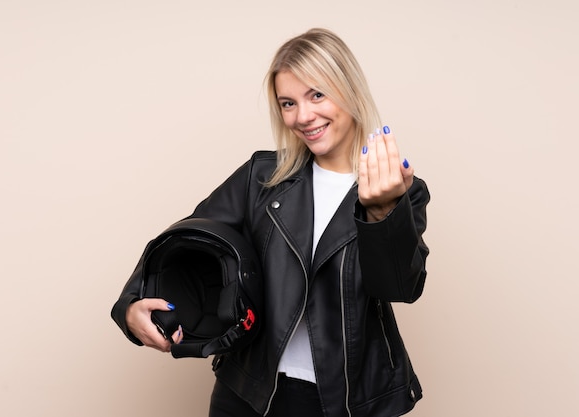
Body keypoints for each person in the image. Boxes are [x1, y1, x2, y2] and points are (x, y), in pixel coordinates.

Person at [111, 28, 430, 417]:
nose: (303, 116)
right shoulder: (261, 177)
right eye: (288, 103)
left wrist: (382, 212)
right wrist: (130, 306)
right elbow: (186, 239)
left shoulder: (400, 189)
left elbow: (399, 287)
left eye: (317, 94)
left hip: (345, 401)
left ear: (349, 90)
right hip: (249, 391)